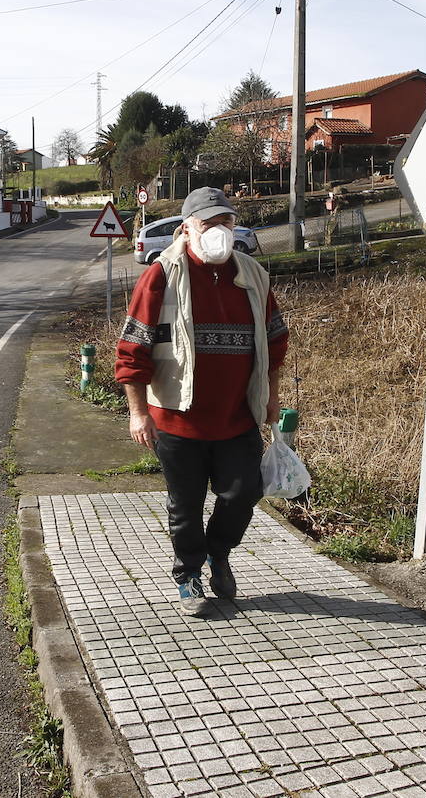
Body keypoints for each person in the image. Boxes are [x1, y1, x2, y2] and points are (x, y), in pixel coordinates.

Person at [115, 187, 288, 616]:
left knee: (243, 493)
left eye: (226, 222)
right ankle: (188, 573)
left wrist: (271, 398)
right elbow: (132, 349)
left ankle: (218, 553)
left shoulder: (253, 275)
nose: (219, 231)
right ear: (187, 229)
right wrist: (138, 412)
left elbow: (275, 342)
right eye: (208, 223)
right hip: (177, 419)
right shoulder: (160, 276)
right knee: (185, 504)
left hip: (237, 416)